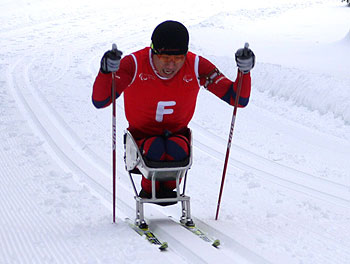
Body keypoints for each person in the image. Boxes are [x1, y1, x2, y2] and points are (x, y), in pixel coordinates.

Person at [92, 20, 255, 202]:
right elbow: (101, 100)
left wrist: (244, 72)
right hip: (140, 142)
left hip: (178, 138)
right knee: (155, 147)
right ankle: (148, 189)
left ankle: (170, 190)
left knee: (177, 149)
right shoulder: (134, 63)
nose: (171, 66)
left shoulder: (195, 64)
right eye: (165, 59)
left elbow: (237, 99)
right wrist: (105, 72)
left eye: (178, 59)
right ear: (152, 51)